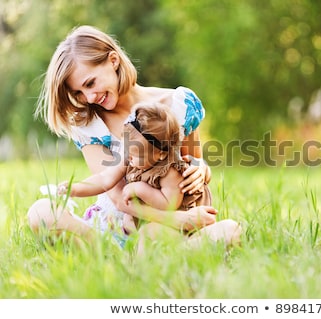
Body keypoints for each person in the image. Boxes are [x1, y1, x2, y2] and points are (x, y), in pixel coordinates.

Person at [27, 25, 241, 249]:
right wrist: (177, 219)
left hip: (170, 228)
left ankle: (152, 256)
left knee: (230, 231)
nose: (89, 97)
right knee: (41, 213)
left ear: (113, 60)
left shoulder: (178, 103)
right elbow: (119, 197)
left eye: (90, 83)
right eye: (78, 92)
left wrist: (200, 169)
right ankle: (122, 255)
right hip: (118, 227)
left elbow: (194, 160)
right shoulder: (90, 125)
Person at [57, 101, 212, 237]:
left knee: (151, 233)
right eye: (127, 150)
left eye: (134, 154)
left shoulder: (171, 172)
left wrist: (140, 188)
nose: (128, 158)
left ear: (161, 154)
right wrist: (75, 189)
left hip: (180, 221)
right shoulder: (131, 156)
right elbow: (105, 179)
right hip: (154, 220)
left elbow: (168, 204)